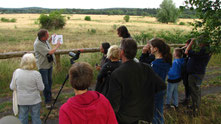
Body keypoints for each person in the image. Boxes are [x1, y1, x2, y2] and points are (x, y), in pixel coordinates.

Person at [107, 38, 166, 124]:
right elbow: (161, 86)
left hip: (124, 117)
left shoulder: (117, 74)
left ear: (122, 52)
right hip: (140, 113)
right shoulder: (146, 68)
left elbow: (113, 103)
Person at [10, 53, 44, 124]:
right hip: (34, 100)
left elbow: (12, 87)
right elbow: (41, 88)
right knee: (36, 117)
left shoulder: (17, 72)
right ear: (34, 62)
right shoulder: (36, 74)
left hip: (22, 100)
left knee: (22, 117)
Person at [34, 29, 61, 108]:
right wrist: (57, 46)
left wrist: (51, 39)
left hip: (48, 64)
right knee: (45, 84)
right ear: (43, 38)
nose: (49, 36)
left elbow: (46, 43)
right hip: (43, 67)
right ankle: (47, 102)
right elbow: (50, 52)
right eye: (47, 35)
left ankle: (49, 97)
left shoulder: (42, 40)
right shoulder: (37, 44)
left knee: (49, 82)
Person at [185, 37, 211, 114]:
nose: (198, 44)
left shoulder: (202, 51)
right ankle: (195, 105)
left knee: (194, 90)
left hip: (195, 73)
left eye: (199, 42)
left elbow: (187, 51)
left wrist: (191, 42)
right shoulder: (207, 50)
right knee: (197, 90)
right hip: (199, 72)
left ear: (203, 43)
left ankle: (195, 110)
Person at [149, 38, 172, 124]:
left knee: (154, 114)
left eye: (151, 47)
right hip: (162, 88)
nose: (150, 49)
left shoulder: (155, 64)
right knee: (159, 111)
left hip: (155, 90)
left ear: (156, 49)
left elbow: (153, 79)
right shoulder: (165, 61)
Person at [180, 39, 191, 105]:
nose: (186, 45)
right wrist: (183, 48)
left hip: (188, 71)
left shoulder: (191, 52)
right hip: (185, 71)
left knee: (188, 85)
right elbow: (183, 55)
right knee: (186, 85)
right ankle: (187, 98)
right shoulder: (186, 51)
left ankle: (188, 98)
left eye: (187, 44)